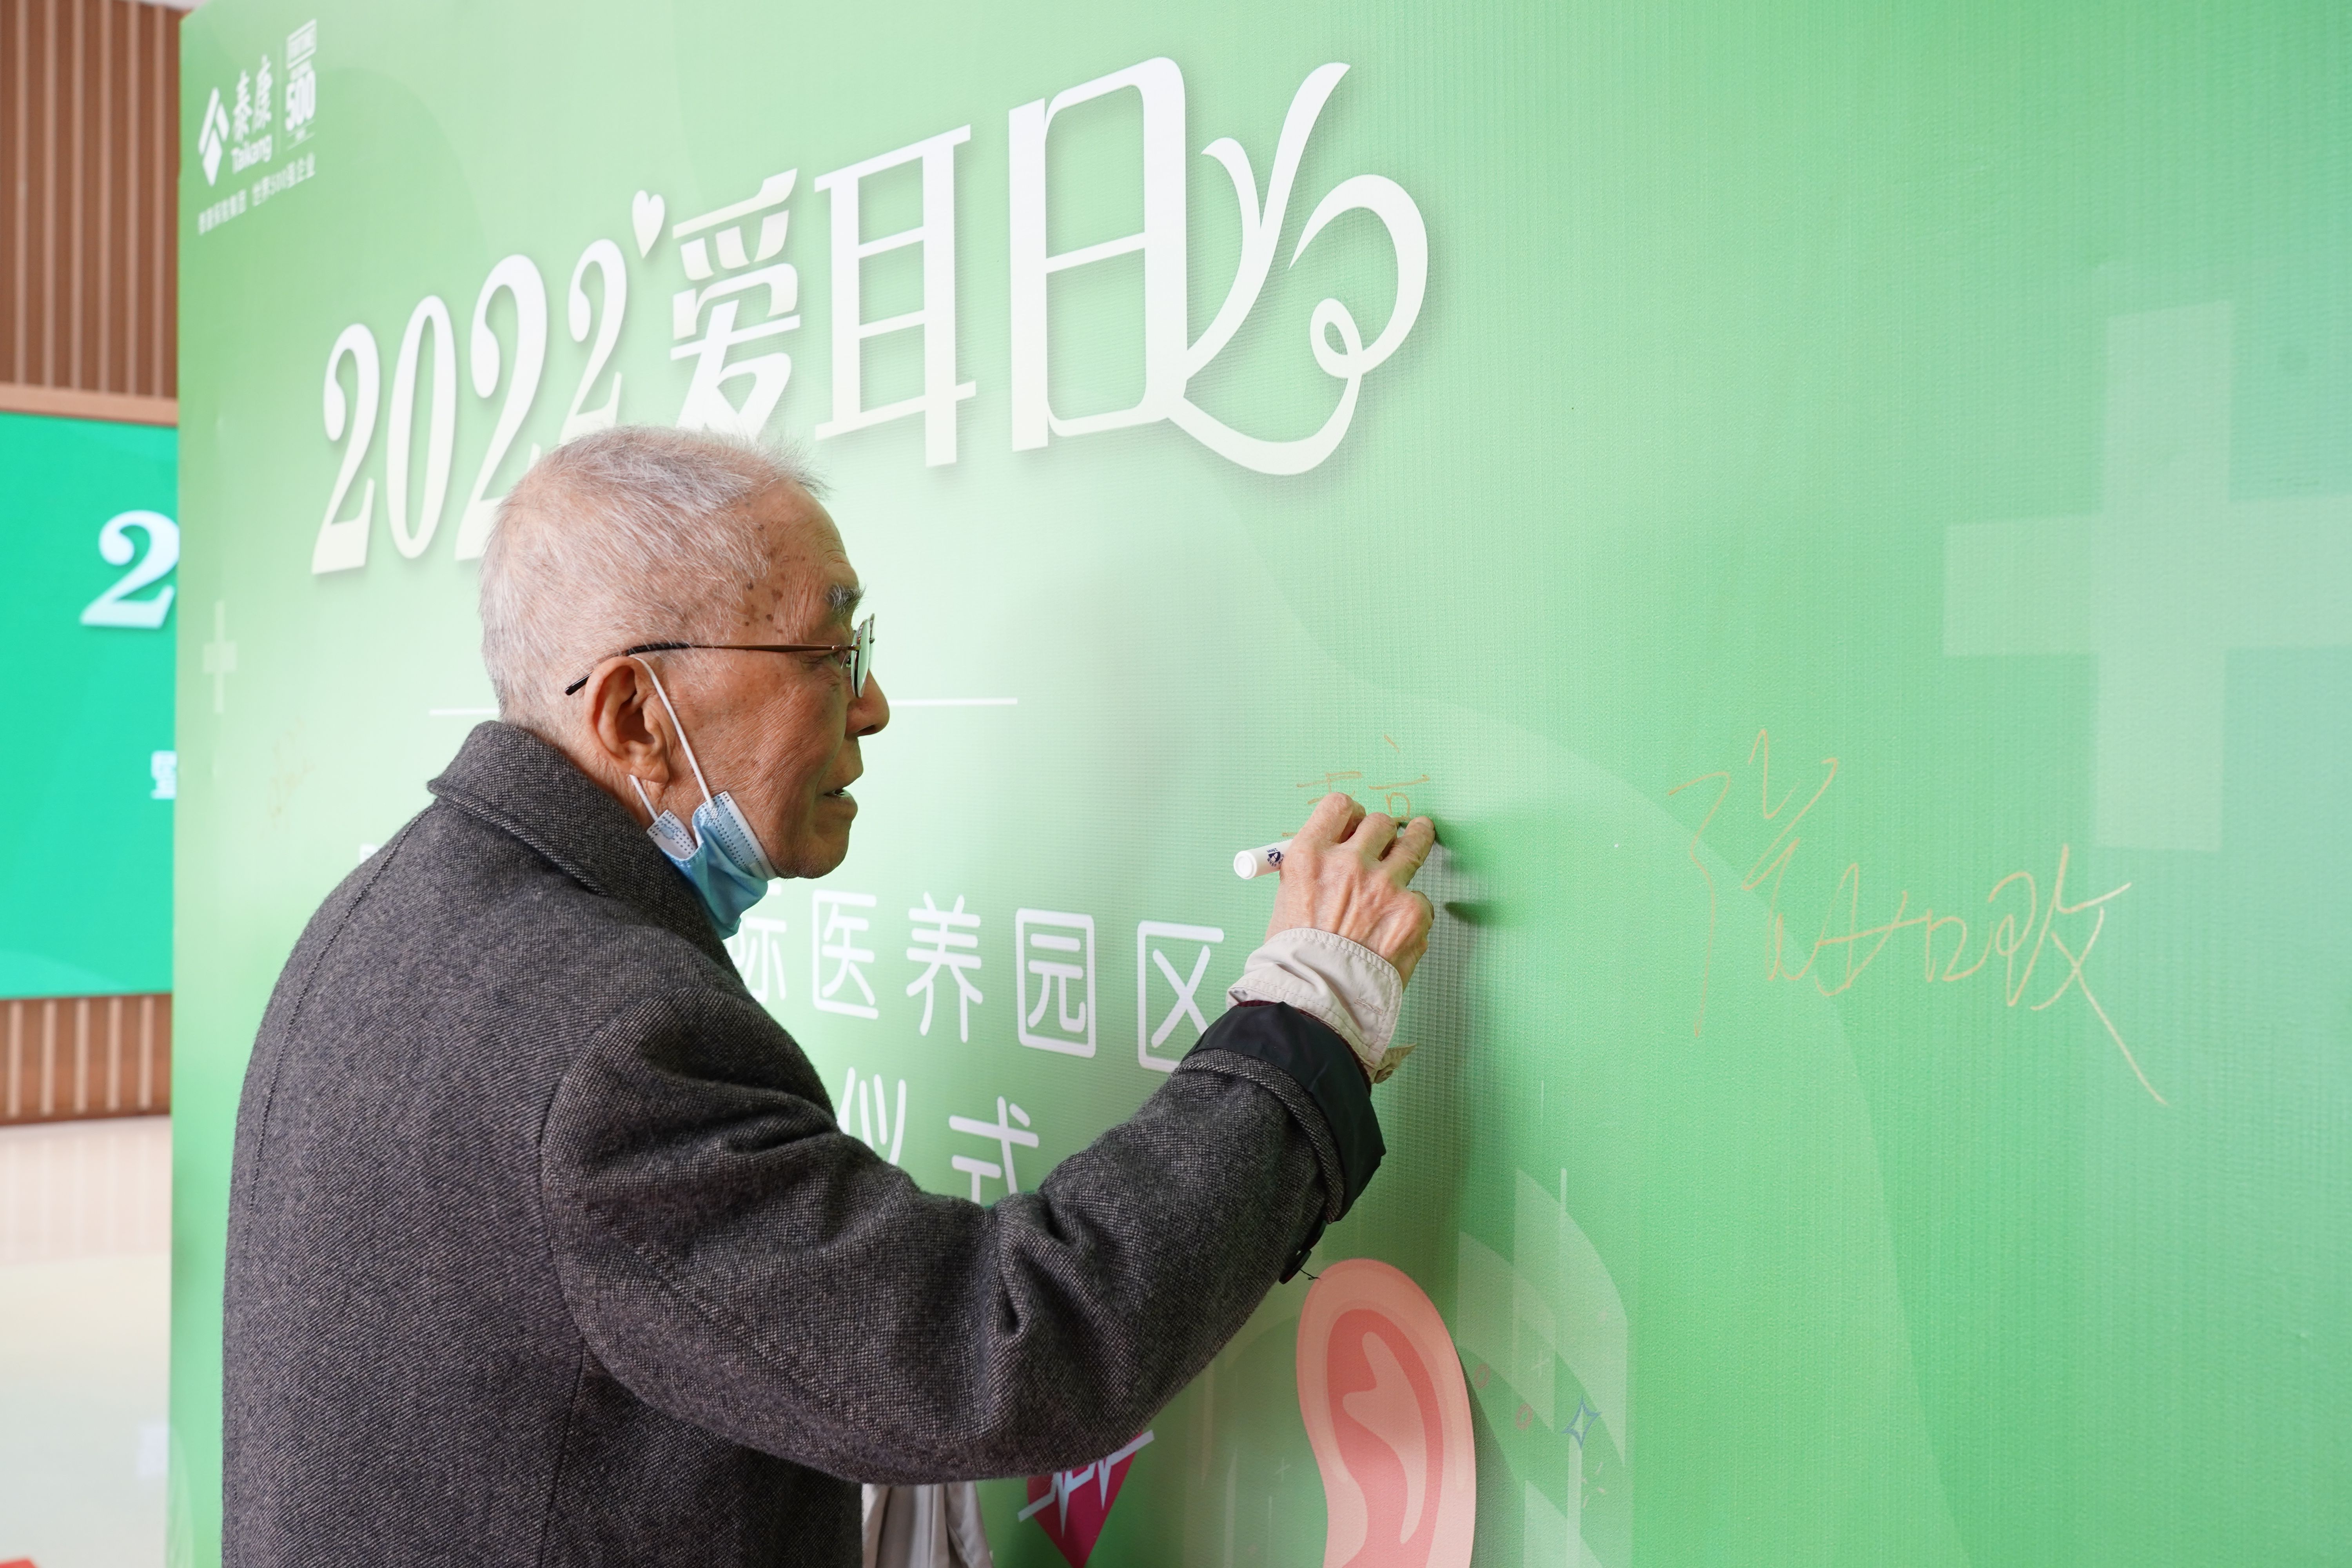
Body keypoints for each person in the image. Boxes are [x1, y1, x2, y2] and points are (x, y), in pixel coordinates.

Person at [221, 427, 1437, 1566]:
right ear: (636, 715)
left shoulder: (383, 907)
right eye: (826, 655)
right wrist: (1306, 1019)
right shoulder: (614, 1049)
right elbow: (1001, 1351)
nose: (872, 704)